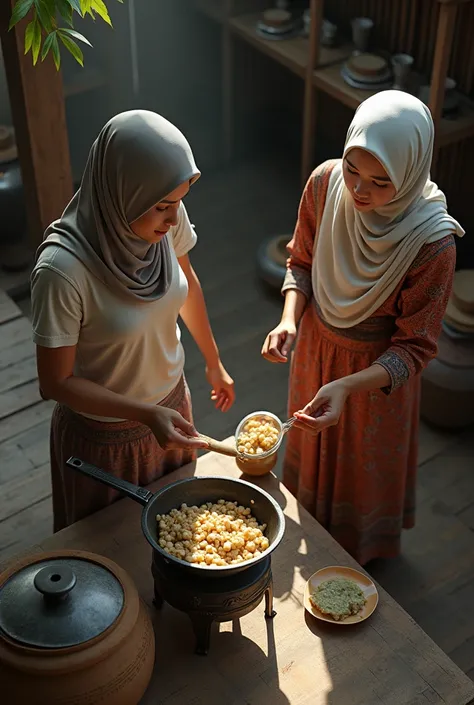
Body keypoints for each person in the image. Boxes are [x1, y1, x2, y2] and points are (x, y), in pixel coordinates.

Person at [262, 91, 464, 566]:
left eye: (381, 181)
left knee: (361, 472)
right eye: (354, 169)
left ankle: (358, 558)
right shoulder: (324, 184)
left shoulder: (431, 244)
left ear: (413, 173)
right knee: (311, 450)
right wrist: (290, 318)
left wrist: (350, 385)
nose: (359, 190)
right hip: (314, 350)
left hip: (375, 382)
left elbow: (414, 349)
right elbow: (301, 261)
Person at [31, 110, 235, 532]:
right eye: (161, 206)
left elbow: (188, 287)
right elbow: (56, 383)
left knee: (178, 539)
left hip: (173, 411)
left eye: (179, 202)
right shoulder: (62, 271)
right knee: (111, 556)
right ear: (121, 194)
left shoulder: (162, 229)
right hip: (103, 440)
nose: (175, 219)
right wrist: (144, 414)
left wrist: (213, 362)